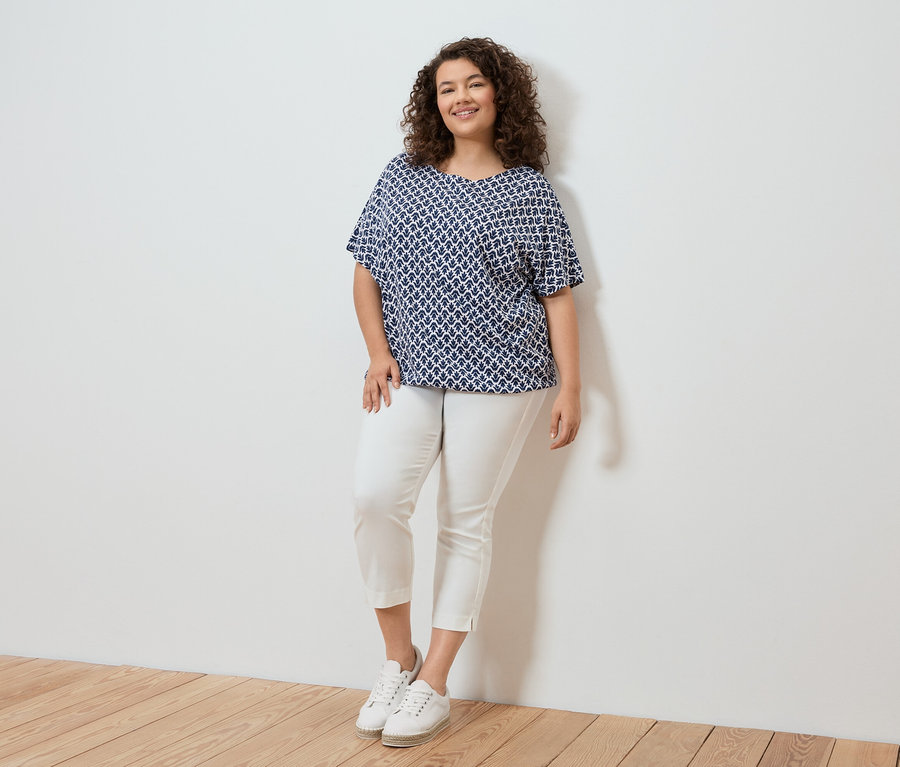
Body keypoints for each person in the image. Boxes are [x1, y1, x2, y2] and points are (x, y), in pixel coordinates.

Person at [347, 37, 583, 748]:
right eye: (447, 88)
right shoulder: (403, 175)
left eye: (474, 83)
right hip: (408, 370)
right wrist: (377, 354)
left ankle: (434, 683)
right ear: (434, 102)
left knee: (464, 520)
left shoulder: (530, 191)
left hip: (505, 372)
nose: (460, 97)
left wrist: (572, 386)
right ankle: (399, 659)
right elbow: (365, 269)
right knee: (375, 498)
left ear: (499, 93)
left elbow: (558, 295)